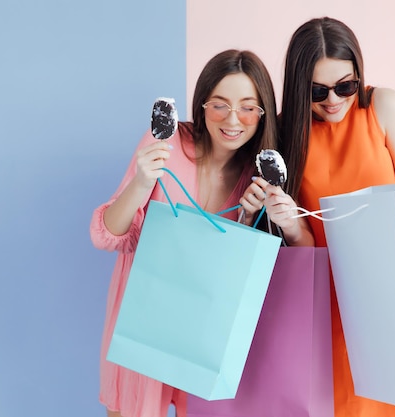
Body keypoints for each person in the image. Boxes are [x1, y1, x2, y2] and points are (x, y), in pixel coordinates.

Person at [252, 16, 395, 417]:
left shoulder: (383, 106)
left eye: (346, 86)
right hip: (327, 303)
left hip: (390, 295)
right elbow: (302, 243)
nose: (334, 100)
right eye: (318, 90)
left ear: (358, 73)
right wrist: (287, 221)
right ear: (299, 85)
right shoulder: (287, 133)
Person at [89, 49, 278, 417]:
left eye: (247, 107)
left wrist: (247, 219)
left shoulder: (255, 177)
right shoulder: (166, 143)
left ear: (262, 113)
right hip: (145, 326)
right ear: (202, 104)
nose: (233, 119)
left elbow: (231, 275)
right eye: (220, 104)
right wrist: (142, 183)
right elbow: (106, 236)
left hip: (206, 338)